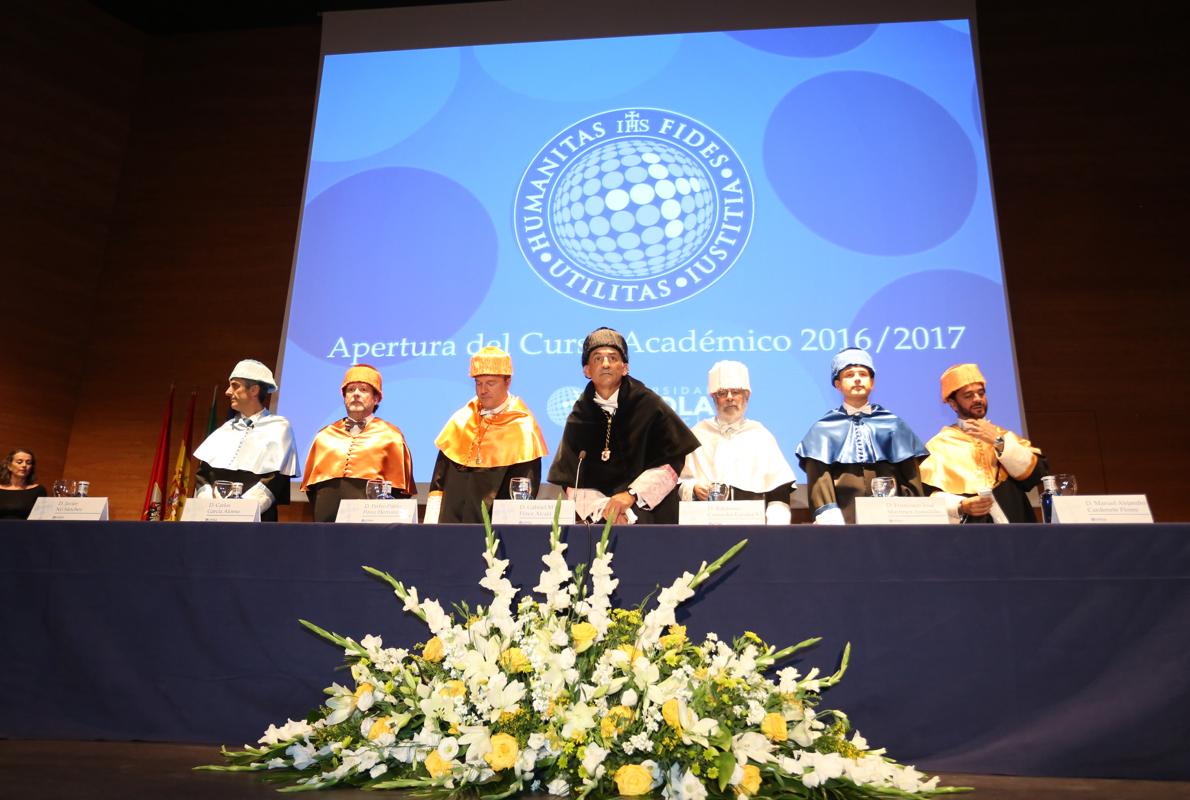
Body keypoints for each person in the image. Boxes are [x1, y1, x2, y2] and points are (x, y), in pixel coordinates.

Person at [548, 327, 701, 524]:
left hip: (652, 517)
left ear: (625, 367)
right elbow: (572, 480)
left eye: (612, 358)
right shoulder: (579, 417)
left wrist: (630, 496)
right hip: (600, 520)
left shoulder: (649, 405)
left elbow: (671, 462)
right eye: (597, 358)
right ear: (586, 370)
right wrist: (607, 509)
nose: (605, 364)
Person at [795, 347, 928, 524]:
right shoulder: (823, 430)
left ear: (872, 382)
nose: (857, 379)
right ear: (838, 384)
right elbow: (820, 481)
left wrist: (911, 514)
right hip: (843, 522)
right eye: (849, 375)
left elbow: (911, 478)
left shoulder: (893, 425)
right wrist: (830, 516)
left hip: (893, 521)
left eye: (863, 374)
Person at [428, 346, 548, 523]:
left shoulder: (523, 427)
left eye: (490, 383)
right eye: (478, 383)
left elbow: (523, 492)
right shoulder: (461, 420)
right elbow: (439, 482)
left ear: (507, 383)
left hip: (496, 533)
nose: (483, 390)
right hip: (450, 528)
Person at [920, 363, 1048, 523]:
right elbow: (926, 498)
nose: (977, 399)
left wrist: (999, 442)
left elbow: (1037, 477)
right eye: (968, 396)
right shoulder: (939, 445)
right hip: (971, 535)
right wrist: (961, 505)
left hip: (1017, 530)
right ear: (953, 404)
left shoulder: (1003, 436)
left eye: (981, 393)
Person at [680, 361, 796, 524]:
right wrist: (693, 487)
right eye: (722, 393)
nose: (729, 398)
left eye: (735, 392)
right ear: (713, 398)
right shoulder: (698, 433)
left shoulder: (761, 435)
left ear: (746, 396)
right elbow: (678, 482)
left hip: (752, 528)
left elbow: (778, 492)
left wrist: (775, 531)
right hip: (705, 526)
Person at [300, 364, 416, 523]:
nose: (356, 394)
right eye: (350, 390)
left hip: (371, 525)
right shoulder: (324, 436)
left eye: (363, 389)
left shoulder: (391, 436)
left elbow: (400, 492)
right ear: (344, 397)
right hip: (326, 524)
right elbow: (313, 490)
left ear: (376, 398)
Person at [193, 359, 299, 521]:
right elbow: (204, 474)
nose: (228, 392)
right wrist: (210, 506)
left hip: (256, 519)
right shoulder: (225, 429)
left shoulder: (279, 427)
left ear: (254, 390)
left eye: (235, 385)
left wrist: (240, 510)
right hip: (212, 518)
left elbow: (276, 479)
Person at [0, 448, 46, 520]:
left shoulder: (38, 490)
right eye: (19, 462)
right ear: (9, 466)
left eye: (28, 462)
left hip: (26, 530)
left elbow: (41, 518)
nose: (24, 465)